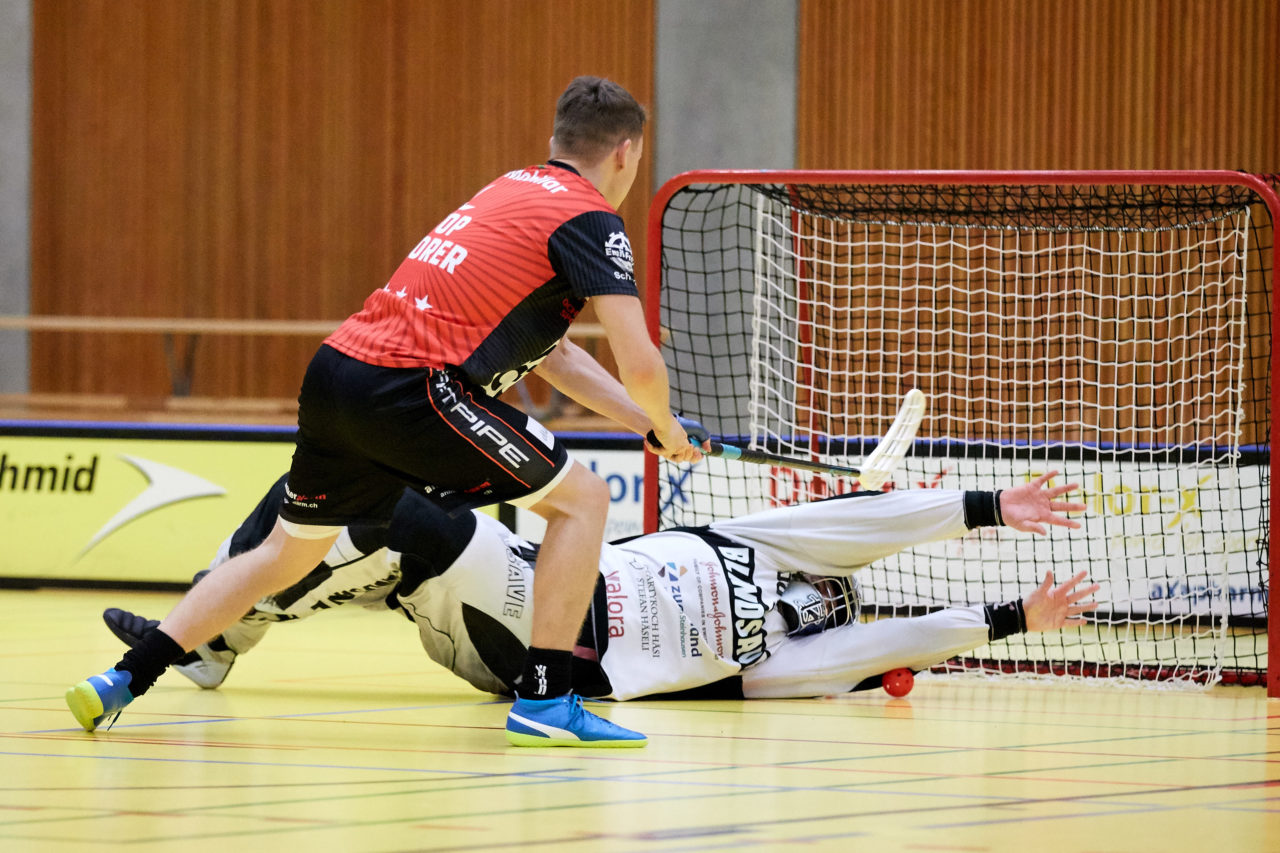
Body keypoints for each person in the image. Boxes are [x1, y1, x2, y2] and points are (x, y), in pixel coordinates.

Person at [66, 76, 703, 748]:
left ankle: (123, 679)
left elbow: (557, 356)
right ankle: (546, 700)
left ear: (556, 140)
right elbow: (640, 365)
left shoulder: (510, 191)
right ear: (627, 153)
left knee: (283, 554)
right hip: (415, 387)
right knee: (583, 502)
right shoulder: (592, 219)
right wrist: (665, 421)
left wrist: (646, 424)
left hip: (338, 372)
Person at [101, 471, 1097, 706]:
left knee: (404, 521)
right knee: (344, 479)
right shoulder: (757, 540)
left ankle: (206, 642)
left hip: (551, 651)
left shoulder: (777, 664)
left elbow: (878, 646)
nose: (820, 598)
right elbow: (859, 523)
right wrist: (982, 506)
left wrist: (1007, 617)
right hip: (528, 574)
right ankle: (216, 637)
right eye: (826, 587)